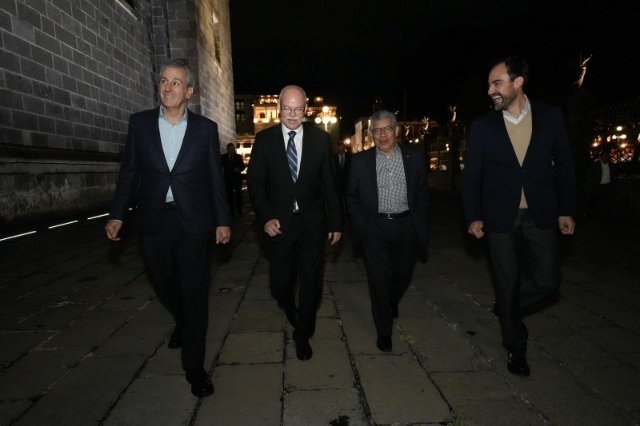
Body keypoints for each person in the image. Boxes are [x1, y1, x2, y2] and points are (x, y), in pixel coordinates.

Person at [104, 58, 231, 397]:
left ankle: (195, 368)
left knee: (195, 292)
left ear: (189, 91)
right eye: (163, 81)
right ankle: (184, 320)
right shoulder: (140, 124)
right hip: (154, 219)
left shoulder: (205, 129)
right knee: (162, 282)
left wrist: (222, 220)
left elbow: (214, 178)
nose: (168, 87)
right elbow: (130, 172)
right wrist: (118, 214)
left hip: (195, 221)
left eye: (176, 82)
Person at [463, 56, 576, 377]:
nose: (490, 90)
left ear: (518, 82)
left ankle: (507, 306)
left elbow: (565, 166)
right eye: (489, 84)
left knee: (548, 281)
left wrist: (566, 209)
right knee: (507, 280)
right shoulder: (483, 126)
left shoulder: (550, 117)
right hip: (499, 217)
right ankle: (516, 347)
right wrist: (473, 216)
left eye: (497, 83)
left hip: (541, 213)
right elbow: (472, 176)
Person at [247, 84, 343, 361]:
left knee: (311, 283)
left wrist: (336, 223)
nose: (292, 114)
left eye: (298, 109)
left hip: (312, 225)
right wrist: (265, 217)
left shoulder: (321, 140)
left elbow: (330, 184)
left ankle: (302, 336)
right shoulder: (264, 140)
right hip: (279, 225)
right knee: (280, 283)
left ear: (306, 110)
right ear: (279, 108)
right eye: (287, 108)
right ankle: (289, 307)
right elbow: (256, 183)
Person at [344, 110, 429, 352]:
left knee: (403, 274)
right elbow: (350, 197)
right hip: (375, 228)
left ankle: (391, 300)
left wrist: (419, 223)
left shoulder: (415, 157)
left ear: (396, 130)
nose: (382, 135)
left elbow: (422, 193)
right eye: (377, 130)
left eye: (387, 129)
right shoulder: (360, 161)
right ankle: (384, 331)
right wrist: (363, 224)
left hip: (405, 226)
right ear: (372, 133)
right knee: (378, 280)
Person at [585, 150, 616, 220]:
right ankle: (589, 213)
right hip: (598, 185)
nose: (606, 157)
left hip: (607, 185)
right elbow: (590, 174)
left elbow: (613, 173)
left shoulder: (611, 165)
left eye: (607, 156)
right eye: (604, 156)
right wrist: (591, 184)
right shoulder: (596, 165)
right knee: (593, 199)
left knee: (606, 201)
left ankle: (606, 215)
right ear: (601, 157)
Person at [221, 142, 247, 216]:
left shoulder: (238, 157)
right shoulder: (223, 157)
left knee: (238, 195)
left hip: (237, 179)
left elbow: (243, 166)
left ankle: (239, 209)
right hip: (228, 179)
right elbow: (220, 166)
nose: (232, 150)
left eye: (233, 148)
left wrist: (239, 169)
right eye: (231, 149)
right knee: (230, 195)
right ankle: (231, 211)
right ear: (228, 149)